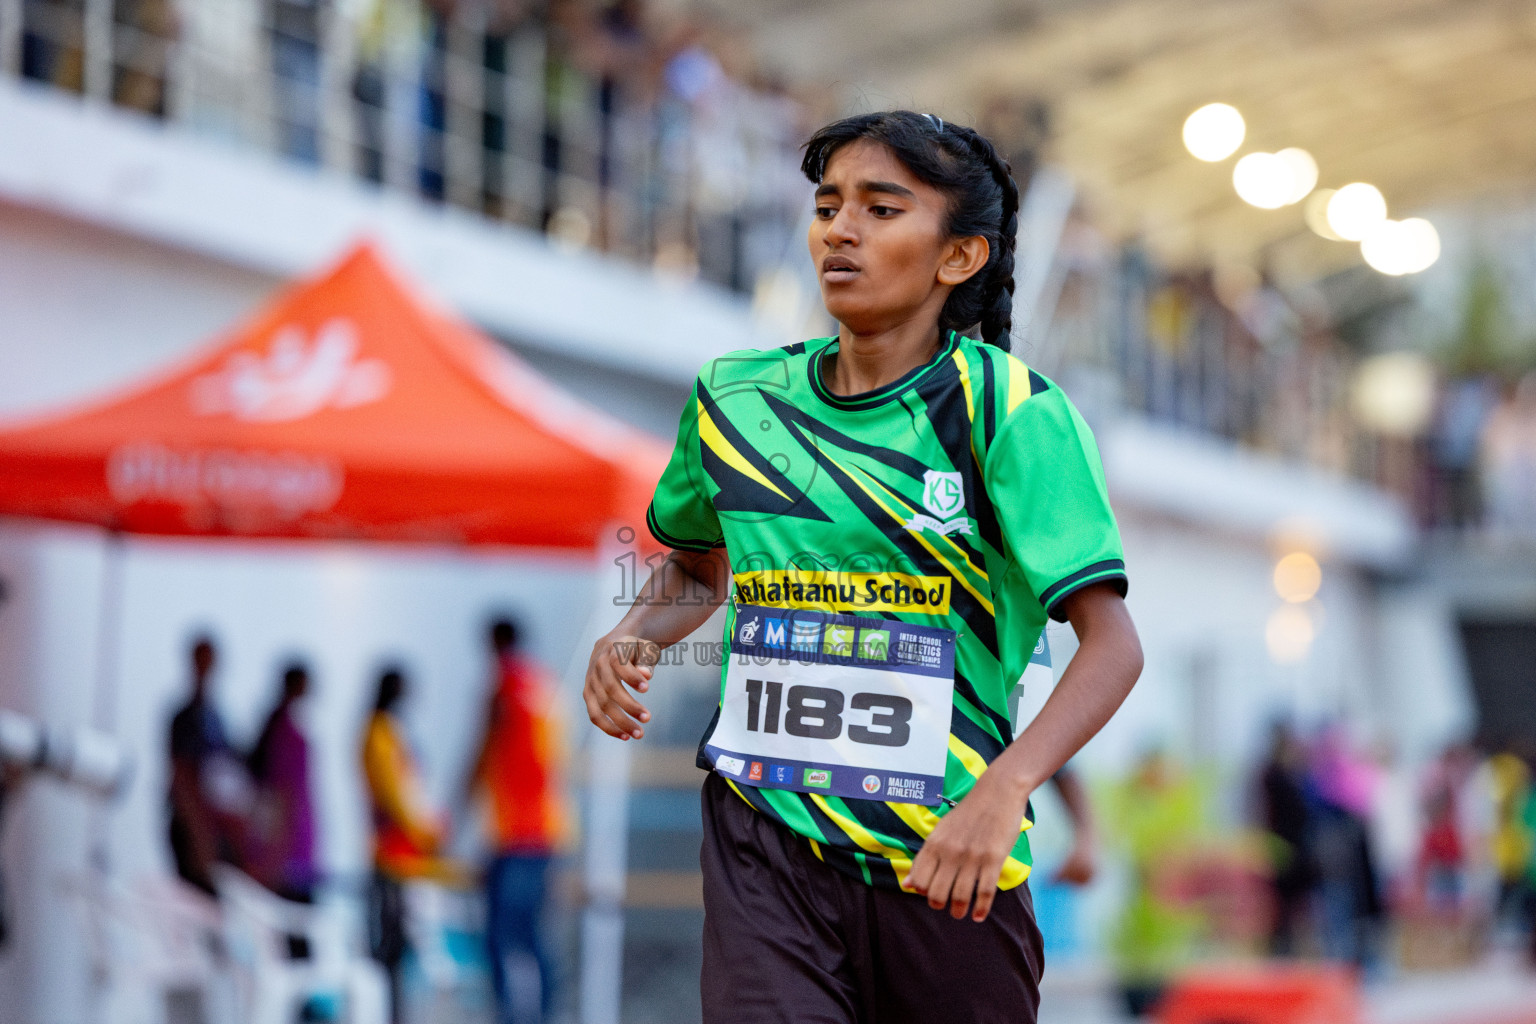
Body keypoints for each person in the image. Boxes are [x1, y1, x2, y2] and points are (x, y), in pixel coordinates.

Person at [583, 110, 1143, 1024]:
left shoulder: (1009, 411)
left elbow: (1112, 646)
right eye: (828, 206)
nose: (840, 230)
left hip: (946, 859)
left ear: (959, 257)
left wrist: (1005, 791)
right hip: (766, 844)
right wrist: (632, 632)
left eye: (881, 210)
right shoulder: (735, 397)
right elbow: (697, 568)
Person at [465, 617, 568, 1024]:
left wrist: (454, 817)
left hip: (514, 834)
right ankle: (544, 1014)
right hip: (547, 830)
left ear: (494, 643)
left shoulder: (503, 689)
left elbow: (481, 753)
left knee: (500, 936)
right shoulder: (543, 686)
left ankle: (511, 1015)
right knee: (533, 936)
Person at [361, 666, 445, 1024]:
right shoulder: (379, 734)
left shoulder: (390, 732)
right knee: (392, 951)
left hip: (405, 856)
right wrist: (427, 832)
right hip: (394, 857)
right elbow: (395, 797)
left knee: (406, 953)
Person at [167, 635, 247, 897]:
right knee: (194, 906)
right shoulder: (184, 717)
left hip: (214, 828)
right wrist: (199, 836)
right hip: (193, 829)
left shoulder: (216, 717)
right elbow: (182, 776)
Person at [246, 661, 320, 903]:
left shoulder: (280, 725)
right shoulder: (283, 731)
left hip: (292, 839)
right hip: (287, 843)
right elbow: (280, 793)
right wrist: (276, 852)